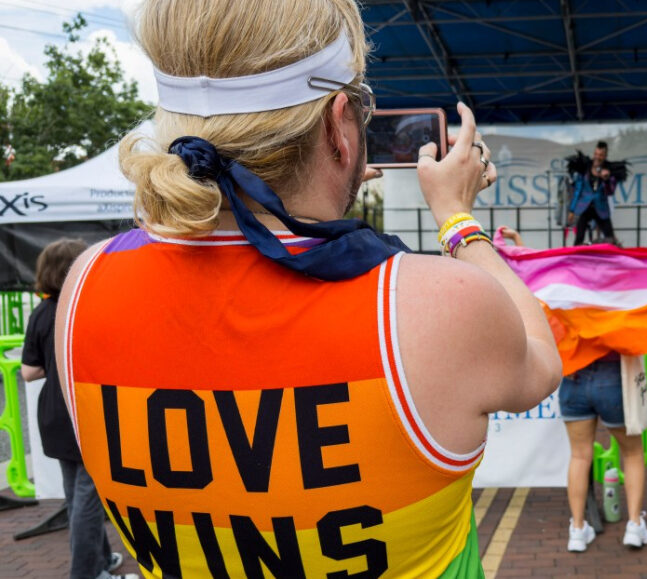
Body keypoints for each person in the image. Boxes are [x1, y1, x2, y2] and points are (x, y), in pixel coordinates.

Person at [53, 2, 561, 578]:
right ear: (339, 124)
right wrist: (456, 218)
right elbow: (541, 361)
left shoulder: (86, 285)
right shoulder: (433, 306)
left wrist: (320, 201)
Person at [558, 198, 647, 552]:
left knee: (580, 456)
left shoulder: (568, 293)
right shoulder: (627, 294)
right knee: (632, 454)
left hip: (573, 381)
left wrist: (516, 246)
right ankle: (634, 525)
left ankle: (577, 530)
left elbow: (532, 282)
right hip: (616, 382)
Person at [20, 238, 134, 579]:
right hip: (84, 414)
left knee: (77, 495)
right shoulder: (86, 306)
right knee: (87, 499)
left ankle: (100, 560)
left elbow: (29, 371)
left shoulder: (40, 313)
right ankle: (87, 573)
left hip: (52, 416)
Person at [567, 141, 617, 246]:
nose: (598, 157)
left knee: (610, 238)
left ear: (605, 156)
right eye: (596, 154)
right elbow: (578, 191)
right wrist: (572, 210)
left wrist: (606, 180)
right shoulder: (586, 168)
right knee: (579, 238)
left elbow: (610, 192)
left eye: (601, 155)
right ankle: (576, 259)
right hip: (585, 206)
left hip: (601, 207)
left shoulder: (608, 170)